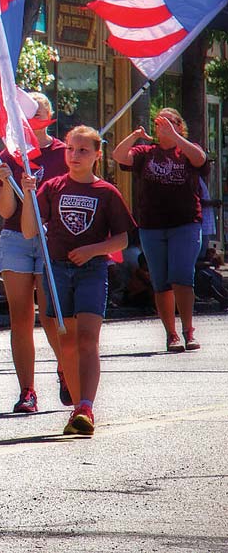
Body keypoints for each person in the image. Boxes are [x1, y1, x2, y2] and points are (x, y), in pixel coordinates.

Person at [21, 125, 135, 437]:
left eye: (83, 150)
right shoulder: (53, 186)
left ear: (97, 155)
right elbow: (30, 230)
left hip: (91, 271)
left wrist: (92, 250)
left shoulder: (106, 192)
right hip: (57, 269)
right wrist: (29, 195)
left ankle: (86, 405)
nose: (74, 155)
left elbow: (123, 239)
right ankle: (76, 410)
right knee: (67, 342)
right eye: (71, 149)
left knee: (87, 339)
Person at [0, 92, 70, 414]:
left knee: (51, 315)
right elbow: (5, 210)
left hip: (52, 238)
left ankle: (66, 371)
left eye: (39, 115)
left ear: (49, 116)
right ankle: (27, 391)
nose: (33, 122)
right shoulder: (8, 154)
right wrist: (7, 183)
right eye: (27, 116)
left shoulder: (65, 153)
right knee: (20, 317)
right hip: (15, 238)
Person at [113, 108, 208, 352]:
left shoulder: (185, 149)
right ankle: (171, 334)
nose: (164, 125)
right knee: (161, 282)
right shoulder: (146, 153)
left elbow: (200, 159)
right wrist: (135, 135)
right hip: (152, 226)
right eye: (160, 122)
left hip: (185, 223)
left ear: (180, 124)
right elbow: (119, 155)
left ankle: (188, 330)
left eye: (171, 121)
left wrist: (175, 137)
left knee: (182, 276)